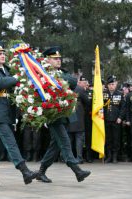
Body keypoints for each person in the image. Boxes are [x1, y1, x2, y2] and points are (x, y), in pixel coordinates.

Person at [0, 40, 37, 187]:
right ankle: (24, 170)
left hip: (7, 111)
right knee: (10, 140)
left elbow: (13, 86)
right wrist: (17, 78)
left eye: (3, 53)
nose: (3, 56)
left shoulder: (6, 70)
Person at [36, 46, 91, 183]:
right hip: (53, 114)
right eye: (55, 59)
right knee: (65, 141)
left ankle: (41, 172)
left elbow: (73, 82)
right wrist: (58, 78)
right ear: (47, 60)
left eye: (59, 58)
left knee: (55, 145)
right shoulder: (43, 74)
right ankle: (77, 170)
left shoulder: (60, 73)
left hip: (64, 113)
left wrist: (58, 76)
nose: (58, 61)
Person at [68, 76, 90, 164]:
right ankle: (79, 157)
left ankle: (69, 157)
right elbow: (88, 102)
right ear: (77, 82)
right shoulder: (80, 89)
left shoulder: (66, 89)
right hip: (79, 117)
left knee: (69, 138)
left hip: (70, 116)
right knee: (79, 138)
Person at [103, 75, 124, 163]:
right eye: (110, 84)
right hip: (106, 119)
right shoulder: (103, 94)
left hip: (116, 120)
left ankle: (115, 156)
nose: (112, 86)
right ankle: (109, 156)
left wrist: (120, 117)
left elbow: (123, 107)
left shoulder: (120, 94)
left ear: (115, 85)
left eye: (113, 84)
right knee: (108, 139)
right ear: (107, 85)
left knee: (116, 139)